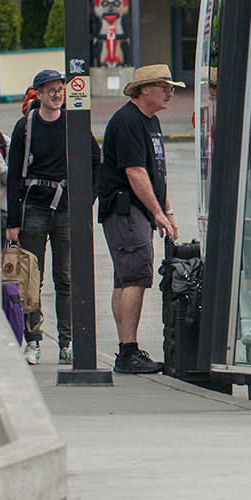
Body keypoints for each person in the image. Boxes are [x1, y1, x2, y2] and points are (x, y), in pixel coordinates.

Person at [6, 68, 100, 365]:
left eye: (60, 89)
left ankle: (67, 341)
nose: (57, 94)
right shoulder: (25, 127)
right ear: (38, 94)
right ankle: (33, 341)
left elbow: (96, 161)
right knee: (32, 279)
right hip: (32, 208)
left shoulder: (75, 124)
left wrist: (87, 200)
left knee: (67, 279)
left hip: (66, 209)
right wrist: (12, 221)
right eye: (50, 90)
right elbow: (12, 177)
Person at [96, 63, 182, 374]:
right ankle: (127, 352)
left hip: (137, 210)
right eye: (164, 86)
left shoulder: (150, 120)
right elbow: (135, 172)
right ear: (145, 89)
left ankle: (126, 349)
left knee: (125, 277)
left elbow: (158, 171)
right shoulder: (129, 122)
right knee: (134, 276)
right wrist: (158, 214)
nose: (170, 92)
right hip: (125, 209)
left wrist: (167, 210)